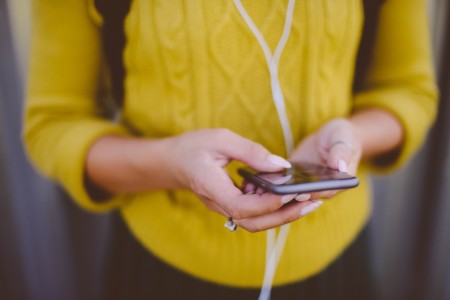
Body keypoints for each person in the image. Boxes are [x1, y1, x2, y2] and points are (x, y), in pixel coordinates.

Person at [24, 0, 437, 299]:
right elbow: (55, 123)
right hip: (163, 267)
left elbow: (407, 90)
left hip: (336, 266)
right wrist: (173, 164)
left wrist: (353, 139)